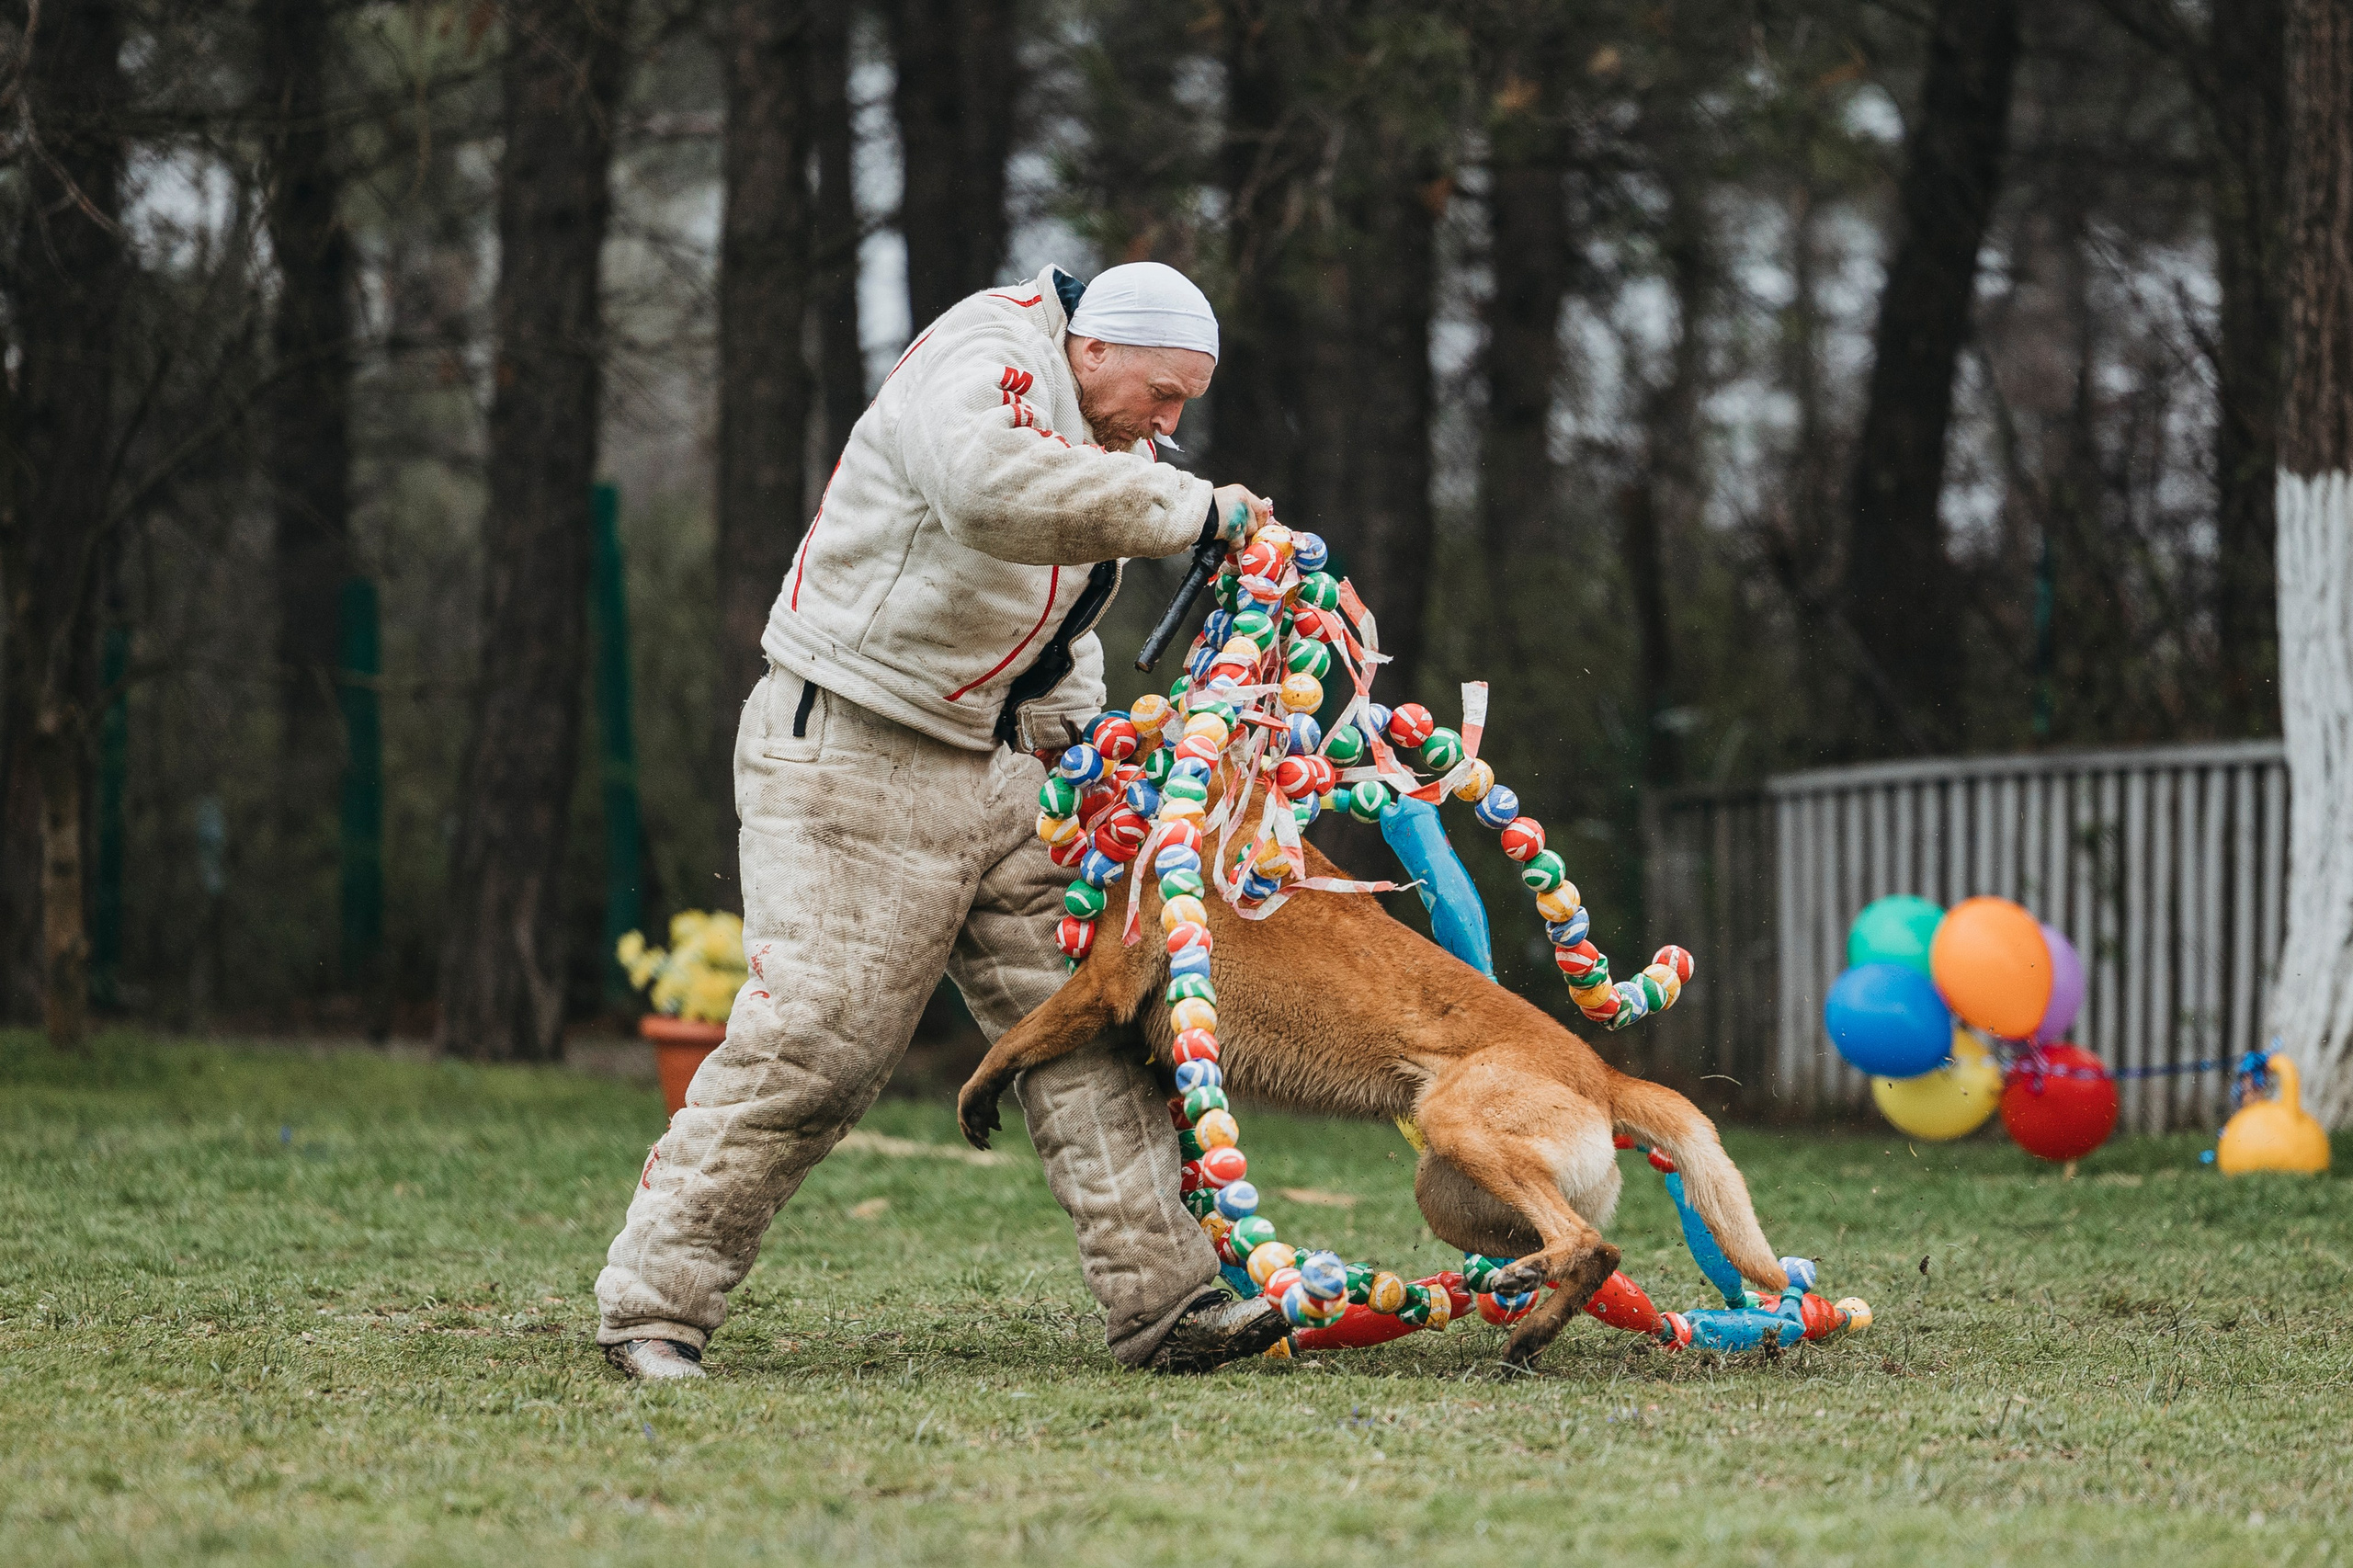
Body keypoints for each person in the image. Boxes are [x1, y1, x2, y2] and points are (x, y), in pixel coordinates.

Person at [597, 261, 1286, 1380]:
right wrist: (1190, 510)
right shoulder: (984, 360)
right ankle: (651, 1306)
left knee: (1094, 1022)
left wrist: (1083, 747)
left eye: (1185, 406)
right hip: (853, 751)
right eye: (1162, 395)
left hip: (1008, 768)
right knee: (817, 1041)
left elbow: (1055, 613)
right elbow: (990, 492)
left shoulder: (1111, 429)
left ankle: (1169, 1304)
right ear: (1093, 348)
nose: (1170, 424)